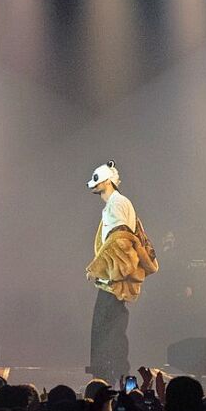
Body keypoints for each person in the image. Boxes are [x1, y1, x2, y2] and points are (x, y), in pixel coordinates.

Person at [84, 160, 158, 380]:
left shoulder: (117, 204)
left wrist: (101, 270)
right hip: (114, 278)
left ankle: (110, 375)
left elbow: (121, 241)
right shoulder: (116, 204)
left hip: (114, 279)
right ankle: (113, 374)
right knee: (112, 327)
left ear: (107, 181)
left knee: (107, 328)